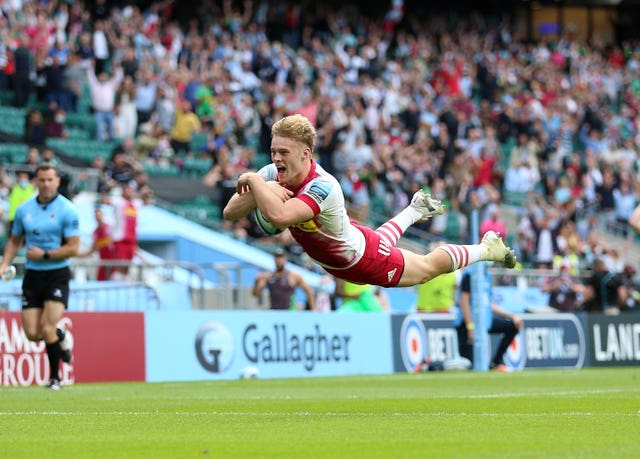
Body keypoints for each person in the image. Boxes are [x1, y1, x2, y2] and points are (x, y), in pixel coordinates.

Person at [223, 114, 517, 290]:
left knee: (427, 268)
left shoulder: (323, 186)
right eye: (274, 151)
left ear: (306, 153)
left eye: (284, 152)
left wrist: (254, 180)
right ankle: (414, 210)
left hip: (362, 261)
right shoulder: (272, 173)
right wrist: (260, 184)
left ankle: (485, 248)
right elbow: (230, 212)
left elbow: (278, 217)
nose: (276, 158)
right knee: (378, 240)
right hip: (350, 245)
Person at [0, 163, 80, 390]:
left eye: (50, 180)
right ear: (36, 182)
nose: (46, 184)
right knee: (33, 334)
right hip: (33, 276)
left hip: (57, 274)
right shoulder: (24, 210)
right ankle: (60, 335)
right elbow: (15, 241)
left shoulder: (67, 210)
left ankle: (55, 378)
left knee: (46, 327)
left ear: (56, 181)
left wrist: (45, 254)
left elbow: (74, 248)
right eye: (42, 180)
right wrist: (4, 263)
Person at [454, 269, 524, 371]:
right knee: (469, 366)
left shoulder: (487, 274)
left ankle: (496, 363)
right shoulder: (470, 275)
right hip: (466, 324)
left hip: (484, 322)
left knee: (512, 326)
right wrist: (470, 326)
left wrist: (511, 316)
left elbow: (489, 303)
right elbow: (464, 302)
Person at [252, 249, 316, 310]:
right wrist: (257, 281)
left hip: (289, 314)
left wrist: (314, 310)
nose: (279, 260)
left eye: (281, 257)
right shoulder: (269, 276)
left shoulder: (293, 276)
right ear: (274, 259)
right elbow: (256, 293)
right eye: (277, 257)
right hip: (274, 313)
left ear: (285, 259)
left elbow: (309, 291)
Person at [79, 206, 116, 281]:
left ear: (102, 215)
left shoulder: (109, 228)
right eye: (96, 215)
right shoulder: (95, 232)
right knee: (101, 280)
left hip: (114, 262)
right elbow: (92, 249)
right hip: (103, 263)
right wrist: (79, 255)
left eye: (99, 214)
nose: (98, 217)